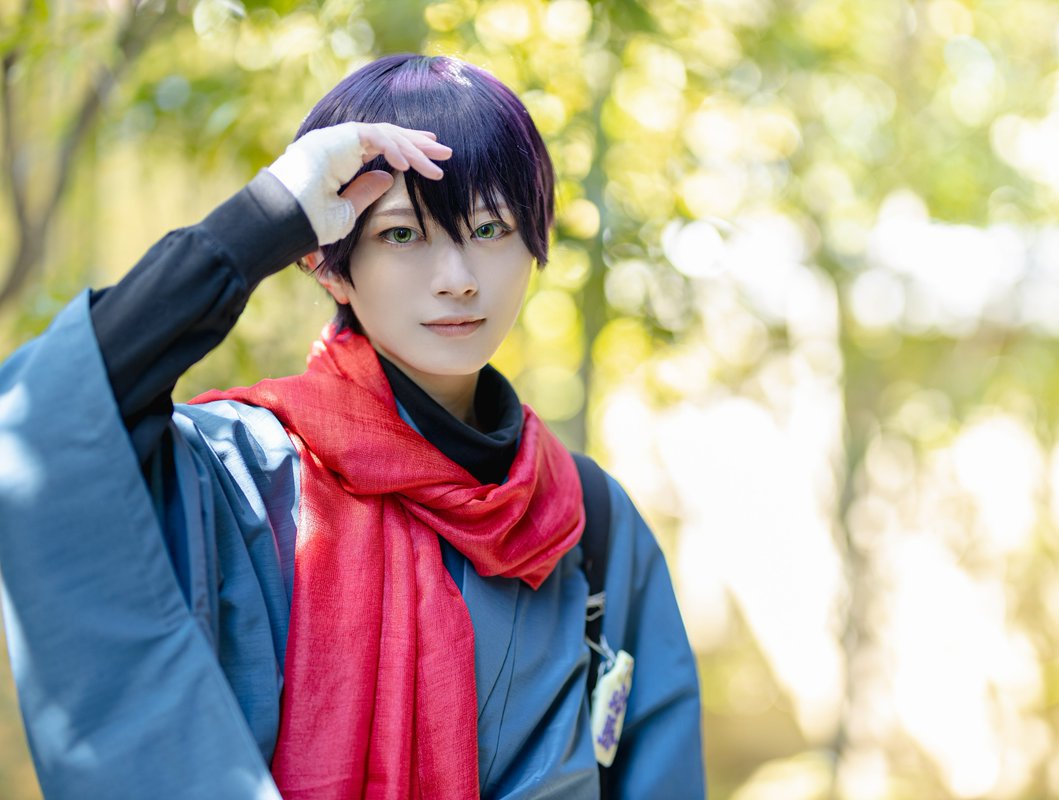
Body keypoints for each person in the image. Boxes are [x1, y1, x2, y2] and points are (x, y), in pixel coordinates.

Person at [0, 54, 704, 799]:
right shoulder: (244, 477)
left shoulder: (587, 520)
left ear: (535, 243)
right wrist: (267, 216)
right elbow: (42, 422)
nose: (458, 278)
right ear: (331, 266)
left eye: (491, 227)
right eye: (402, 234)